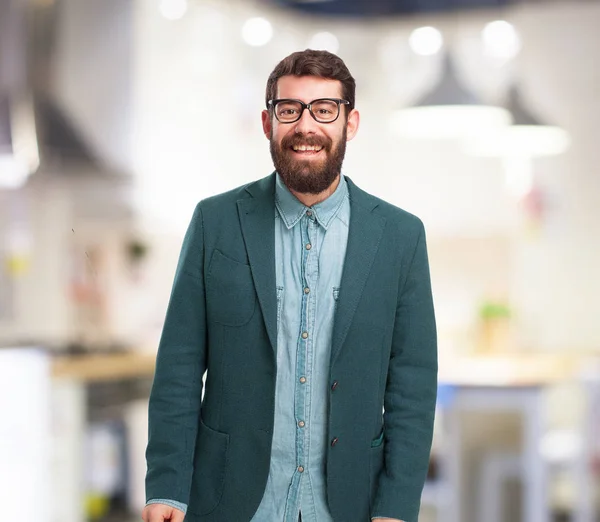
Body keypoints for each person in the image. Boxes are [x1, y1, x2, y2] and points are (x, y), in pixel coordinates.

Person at [142, 49, 437, 522]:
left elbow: (413, 387)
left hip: (351, 505)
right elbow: (178, 368)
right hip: (227, 499)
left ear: (350, 122)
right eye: (289, 109)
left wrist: (397, 507)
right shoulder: (215, 223)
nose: (306, 126)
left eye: (324, 109)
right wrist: (166, 488)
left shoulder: (400, 237)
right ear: (267, 122)